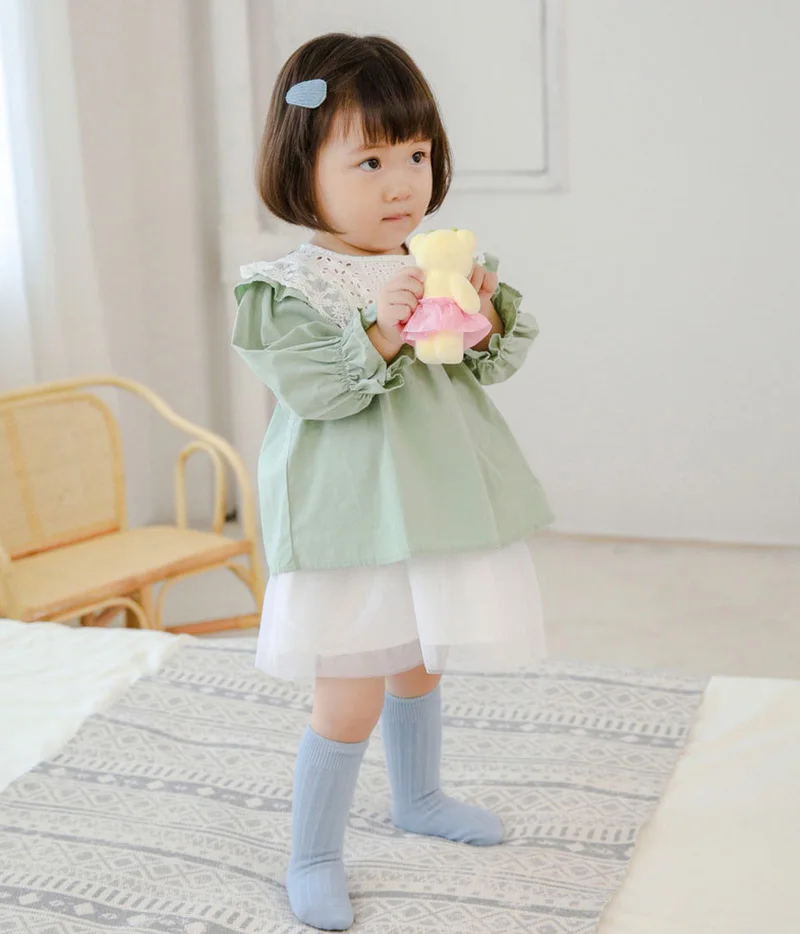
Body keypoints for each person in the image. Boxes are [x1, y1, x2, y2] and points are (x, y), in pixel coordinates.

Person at [232, 32, 553, 932]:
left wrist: (479, 318)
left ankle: (420, 797)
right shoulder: (288, 287)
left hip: (434, 506)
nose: (402, 182)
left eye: (415, 154)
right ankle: (312, 855)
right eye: (369, 160)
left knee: (419, 661)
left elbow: (482, 366)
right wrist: (377, 329)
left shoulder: (426, 261)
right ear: (302, 165)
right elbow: (314, 390)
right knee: (349, 694)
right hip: (349, 519)